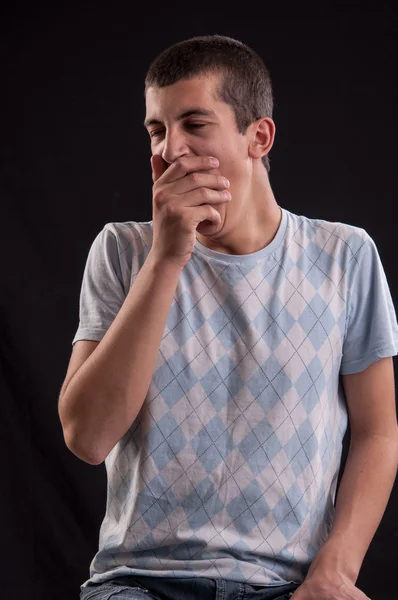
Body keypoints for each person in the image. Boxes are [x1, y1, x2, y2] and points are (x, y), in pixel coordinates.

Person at [58, 35, 398, 600]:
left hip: (289, 583)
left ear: (257, 137)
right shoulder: (122, 251)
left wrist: (335, 570)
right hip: (141, 582)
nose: (169, 151)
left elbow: (378, 430)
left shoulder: (346, 256)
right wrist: (167, 257)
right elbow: (88, 438)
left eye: (194, 124)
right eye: (156, 131)